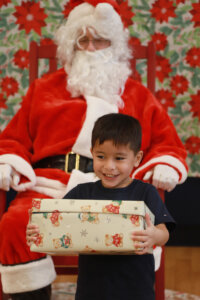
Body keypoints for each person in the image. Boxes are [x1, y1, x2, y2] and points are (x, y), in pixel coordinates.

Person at [0, 0, 187, 298]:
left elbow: (167, 143)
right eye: (82, 40)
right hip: (49, 184)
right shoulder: (43, 89)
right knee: (15, 223)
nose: (89, 47)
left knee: (130, 226)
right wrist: (7, 162)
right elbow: (13, 139)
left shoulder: (137, 94)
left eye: (99, 39)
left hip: (118, 187)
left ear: (113, 45)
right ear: (71, 45)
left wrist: (163, 164)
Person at [27, 113, 175, 300]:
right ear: (92, 153)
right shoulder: (81, 193)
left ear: (137, 159)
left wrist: (154, 235)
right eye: (101, 156)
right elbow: (55, 223)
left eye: (119, 158)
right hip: (92, 289)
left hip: (136, 289)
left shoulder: (145, 193)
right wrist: (37, 230)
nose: (109, 166)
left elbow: (165, 232)